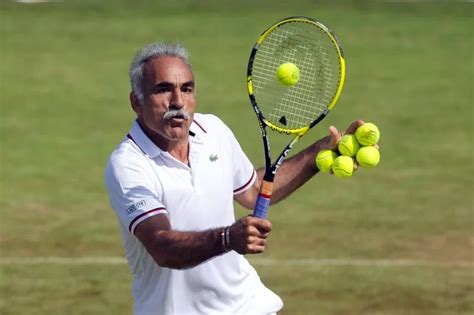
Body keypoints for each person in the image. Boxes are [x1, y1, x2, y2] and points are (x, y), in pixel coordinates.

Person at [104, 42, 363, 315]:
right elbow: (162, 246)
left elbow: (252, 192)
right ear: (136, 102)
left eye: (187, 89)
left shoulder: (213, 130)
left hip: (248, 306)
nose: (178, 102)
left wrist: (316, 154)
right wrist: (228, 238)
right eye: (163, 89)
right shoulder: (128, 166)